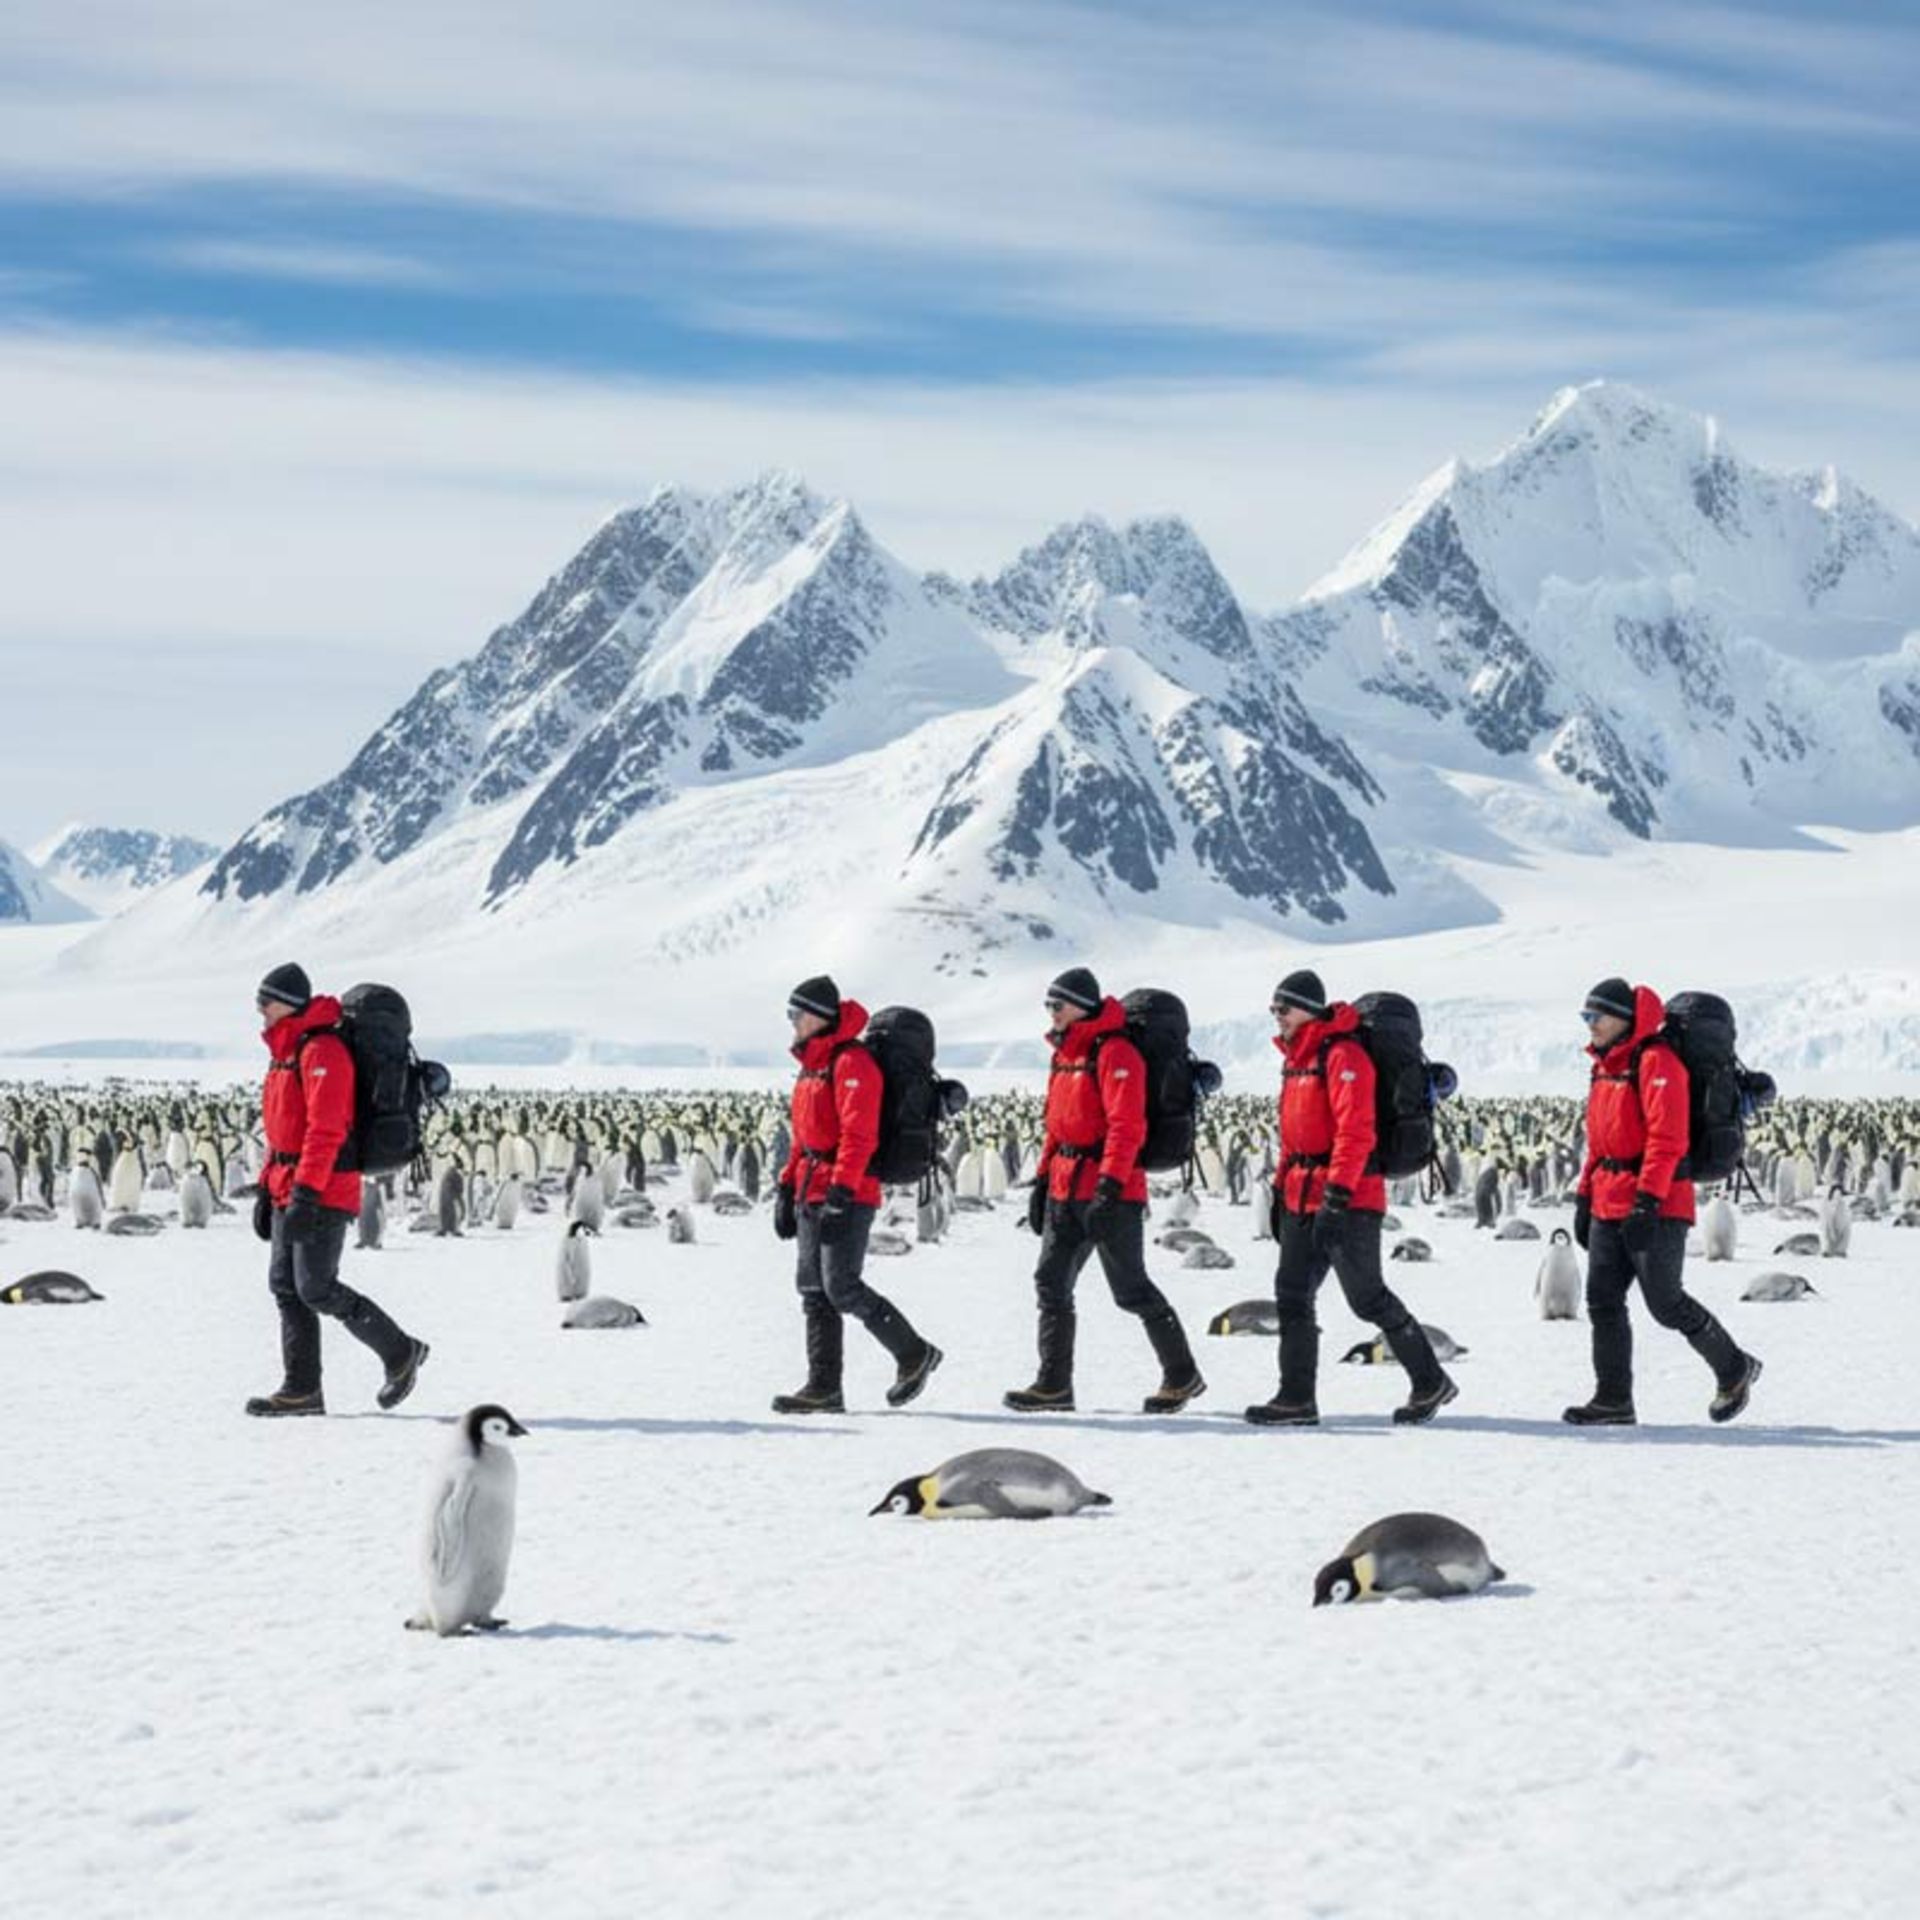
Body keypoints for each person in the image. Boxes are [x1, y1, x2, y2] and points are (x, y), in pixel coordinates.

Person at [1246, 970, 1454, 1427]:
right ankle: (1296, 1397)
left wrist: (1337, 1196)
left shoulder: (1343, 1055)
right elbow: (1294, 1138)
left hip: (1349, 1198)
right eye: (1274, 1010)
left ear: (1307, 1008)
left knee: (1367, 1298)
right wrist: (1281, 1190)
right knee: (1292, 1294)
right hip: (1302, 1195)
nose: (1277, 1017)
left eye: (1284, 1008)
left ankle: (1429, 1379)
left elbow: (1355, 1132)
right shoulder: (1298, 1060)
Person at [1003, 967, 1205, 1415]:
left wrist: (1110, 1186)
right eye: (1048, 1006)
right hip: (1063, 1185)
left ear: (1080, 1005)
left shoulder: (1116, 1053)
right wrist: (1041, 1181)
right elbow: (1055, 1126)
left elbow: (1126, 1126)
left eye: (1058, 1005)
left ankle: (1181, 1373)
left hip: (1110, 1190)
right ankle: (1053, 1384)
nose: (1051, 1014)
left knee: (1129, 1289)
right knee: (1051, 1282)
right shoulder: (1065, 1056)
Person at [1566, 977, 1761, 1426]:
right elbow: (1598, 1141)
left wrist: (1647, 1203)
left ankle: (1734, 1367)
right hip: (1607, 1201)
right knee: (1602, 1301)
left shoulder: (1658, 1061)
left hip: (1657, 1202)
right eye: (1586, 1017)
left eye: (1596, 1016)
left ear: (1622, 1018)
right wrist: (1583, 1195)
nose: (1590, 1025)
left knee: (1666, 1302)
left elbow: (1667, 1141)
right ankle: (1613, 1399)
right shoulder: (1604, 1066)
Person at [245, 964, 429, 1417]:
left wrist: (306, 1193)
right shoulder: (286, 1052)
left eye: (264, 1003)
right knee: (286, 1287)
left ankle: (400, 1351)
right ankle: (302, 1389)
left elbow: (325, 1131)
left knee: (316, 1287)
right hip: (291, 1184)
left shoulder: (322, 1050)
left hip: (323, 1187)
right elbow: (281, 1130)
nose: (259, 1013)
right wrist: (269, 1188)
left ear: (285, 1003)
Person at [770, 976, 942, 1414]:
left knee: (841, 1286)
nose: (792, 1022)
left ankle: (913, 1352)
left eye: (797, 1014)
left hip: (847, 1190)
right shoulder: (813, 1065)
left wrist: (842, 1191)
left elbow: (858, 1135)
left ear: (818, 1017)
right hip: (811, 1186)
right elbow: (803, 1138)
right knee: (813, 1289)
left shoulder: (852, 1063)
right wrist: (787, 1185)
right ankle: (824, 1387)